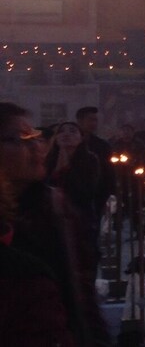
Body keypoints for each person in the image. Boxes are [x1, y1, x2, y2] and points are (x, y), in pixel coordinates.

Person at [0, 102, 109, 346]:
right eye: (22, 138)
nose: (37, 146)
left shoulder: (56, 208)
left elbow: (79, 292)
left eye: (36, 138)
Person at [45, 121, 102, 276]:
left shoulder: (90, 160)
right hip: (50, 220)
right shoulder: (47, 160)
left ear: (81, 138)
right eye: (62, 131)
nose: (66, 134)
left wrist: (66, 168)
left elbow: (86, 191)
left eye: (72, 131)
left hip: (81, 219)